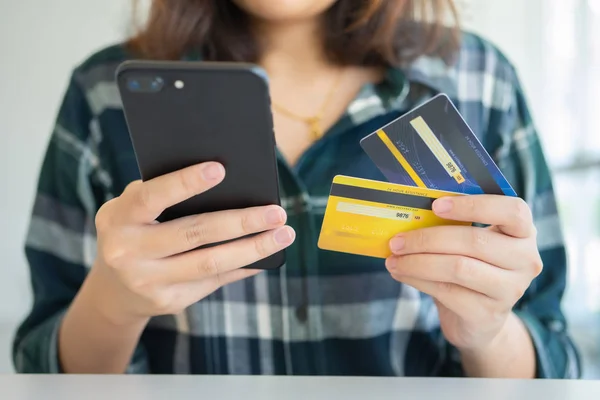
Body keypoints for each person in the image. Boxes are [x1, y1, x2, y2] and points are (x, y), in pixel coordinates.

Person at [14, 0, 580, 378]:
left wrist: (487, 331)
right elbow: (40, 366)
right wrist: (115, 305)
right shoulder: (104, 94)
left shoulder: (481, 82)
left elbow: (557, 357)